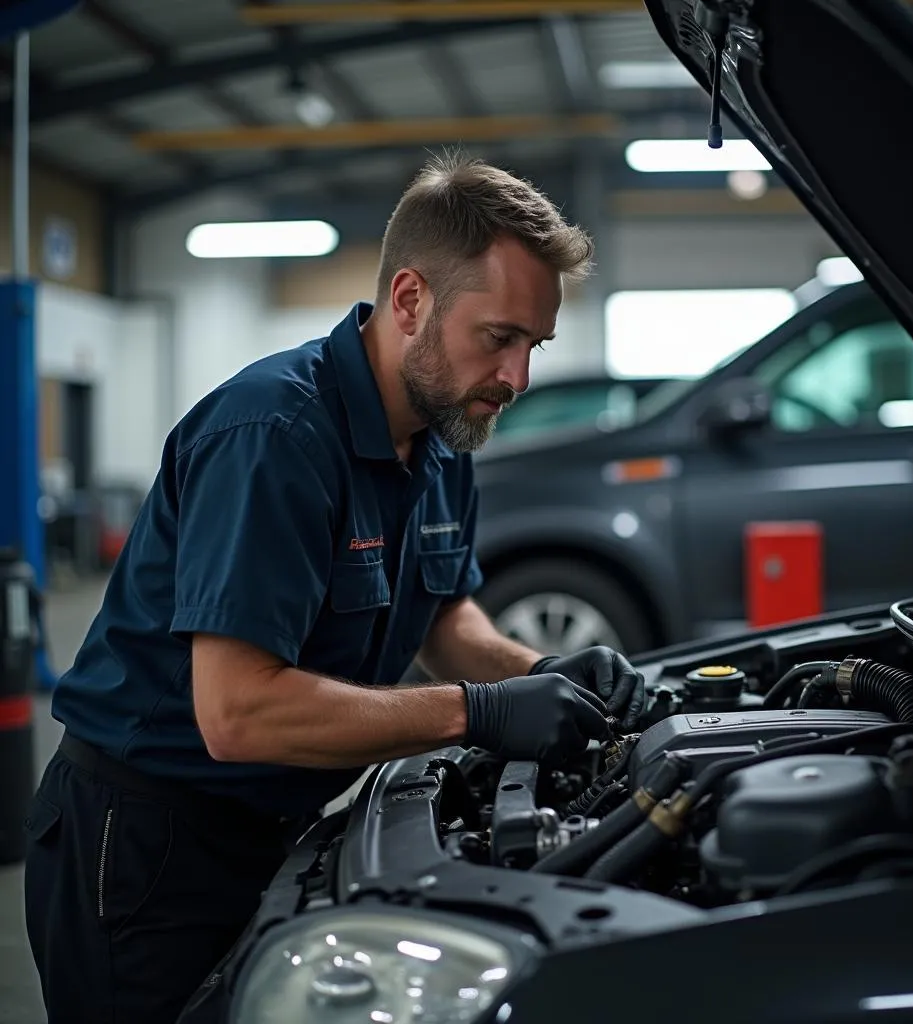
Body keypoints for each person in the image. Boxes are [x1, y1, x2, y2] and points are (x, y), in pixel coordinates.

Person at [23, 153, 647, 1024]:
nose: (517, 379)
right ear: (409, 301)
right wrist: (478, 711)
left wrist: (545, 672)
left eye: (532, 346)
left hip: (276, 825)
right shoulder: (273, 437)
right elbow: (238, 712)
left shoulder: (443, 432)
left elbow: (448, 617)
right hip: (148, 843)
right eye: (499, 338)